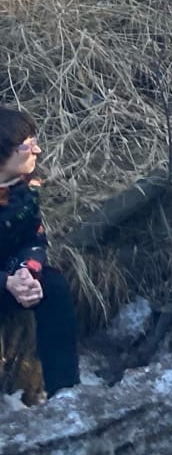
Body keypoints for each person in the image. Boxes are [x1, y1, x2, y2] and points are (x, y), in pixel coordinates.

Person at [0, 110, 80, 400]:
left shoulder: (26, 188)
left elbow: (35, 237)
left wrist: (26, 271)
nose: (37, 149)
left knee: (54, 288)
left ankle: (65, 393)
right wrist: (5, 282)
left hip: (11, 274)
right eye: (26, 144)